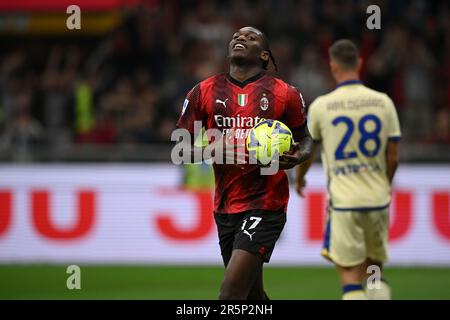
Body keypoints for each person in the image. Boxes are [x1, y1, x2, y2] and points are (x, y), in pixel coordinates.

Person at [175, 26, 313, 300]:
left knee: (230, 294)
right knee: (252, 296)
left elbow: (306, 140)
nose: (240, 38)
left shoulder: (284, 93)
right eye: (237, 36)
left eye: (251, 38)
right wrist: (212, 148)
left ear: (263, 55)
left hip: (266, 203)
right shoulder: (202, 92)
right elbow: (181, 150)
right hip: (226, 205)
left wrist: (297, 156)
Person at [296, 39, 401, 300]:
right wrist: (384, 184)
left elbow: (309, 150)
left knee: (350, 275)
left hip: (344, 203)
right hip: (377, 199)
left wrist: (300, 178)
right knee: (375, 271)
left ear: (333, 66)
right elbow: (394, 157)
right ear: (360, 64)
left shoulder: (322, 106)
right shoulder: (383, 102)